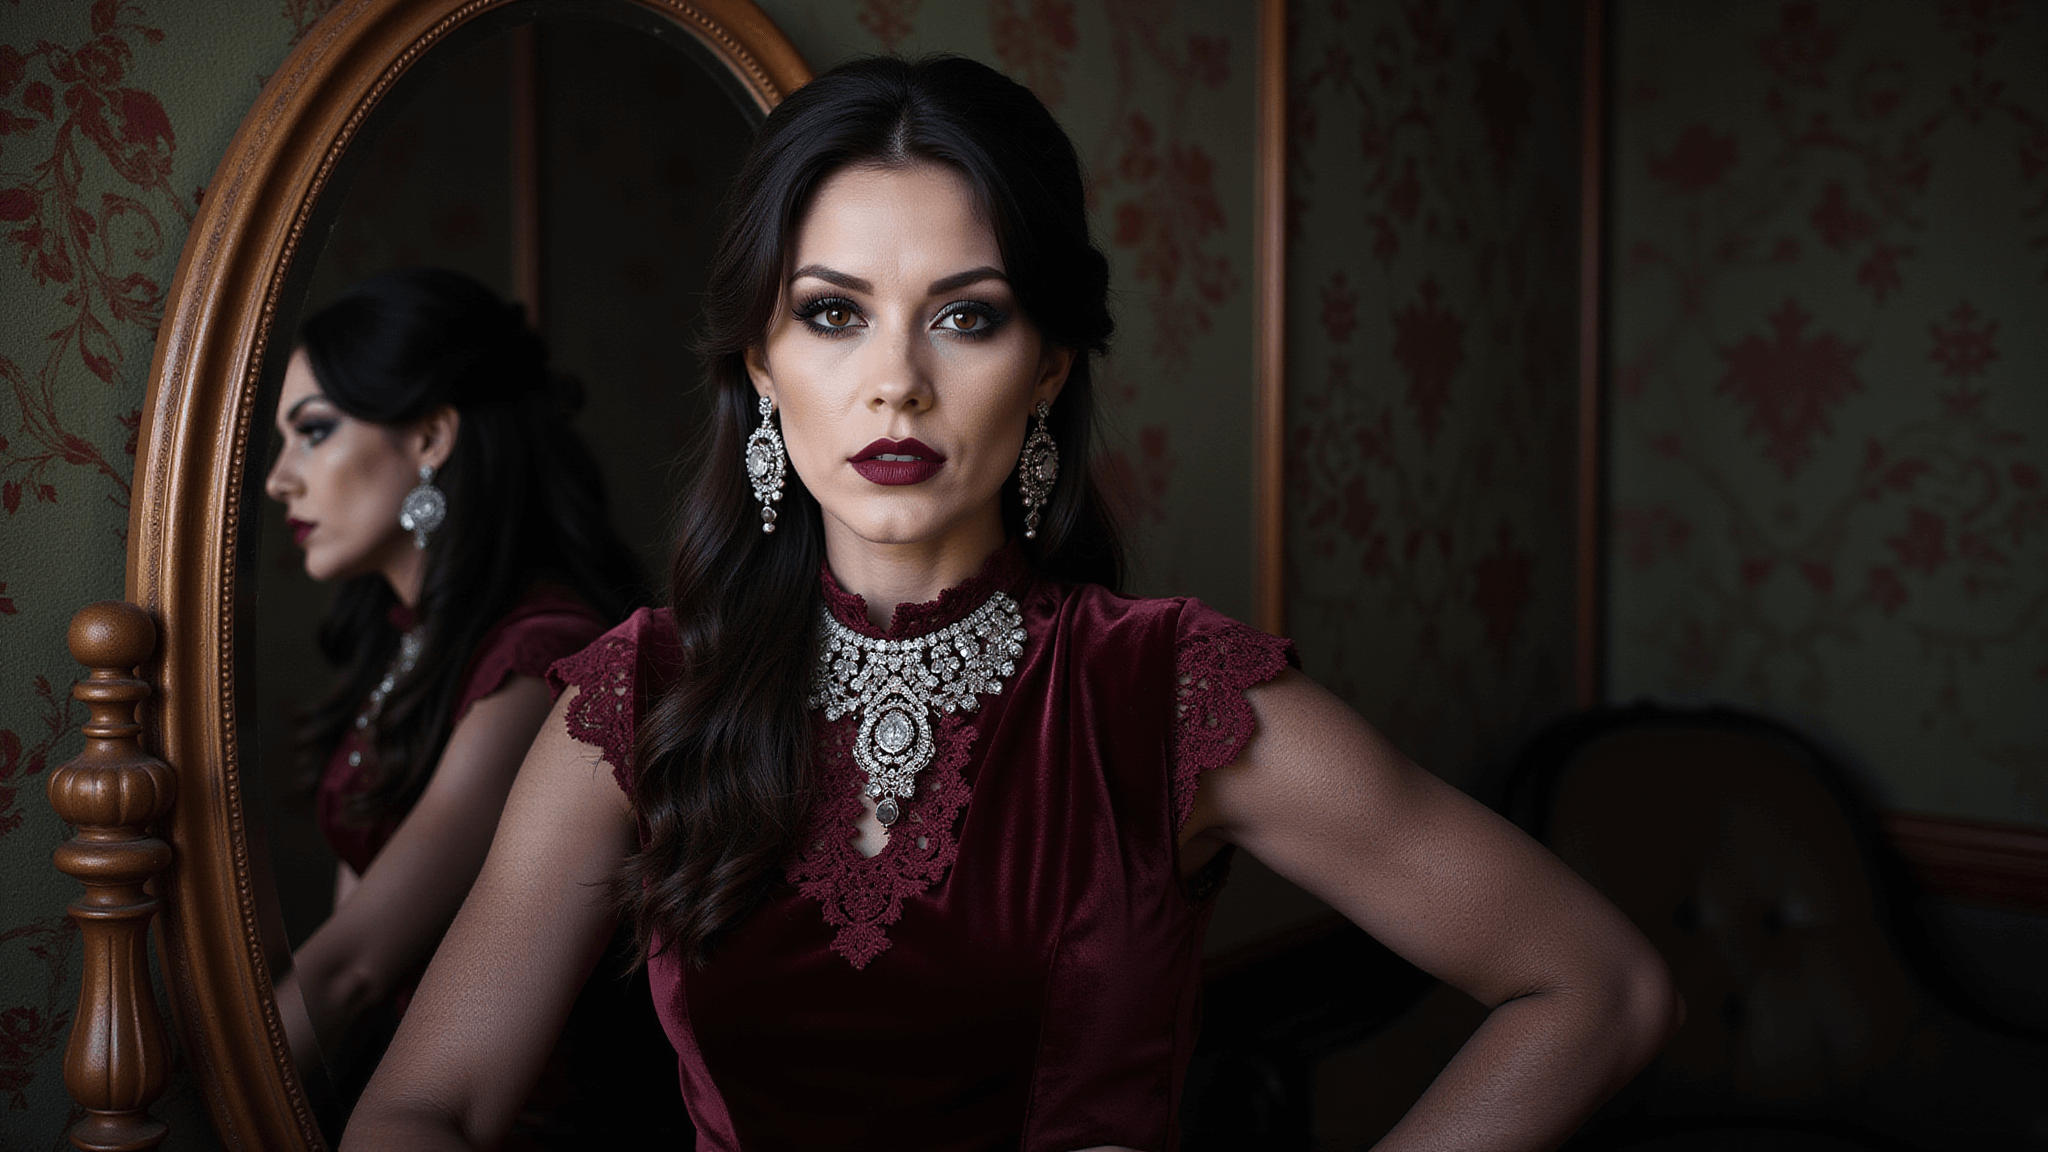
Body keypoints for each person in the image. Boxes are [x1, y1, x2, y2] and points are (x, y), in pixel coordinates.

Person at [344, 58, 1682, 1151]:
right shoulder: (640, 698)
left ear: (1046, 366)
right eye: (832, 315)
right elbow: (425, 1106)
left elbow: (1596, 988)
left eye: (966, 318)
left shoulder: (1169, 695)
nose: (897, 384)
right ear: (761, 364)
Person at [261, 267, 666, 1127]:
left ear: (432, 437)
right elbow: (351, 948)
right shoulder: (406, 643)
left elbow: (355, 970)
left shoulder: (539, 659)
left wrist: (188, 1105)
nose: (278, 480)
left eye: (314, 432)